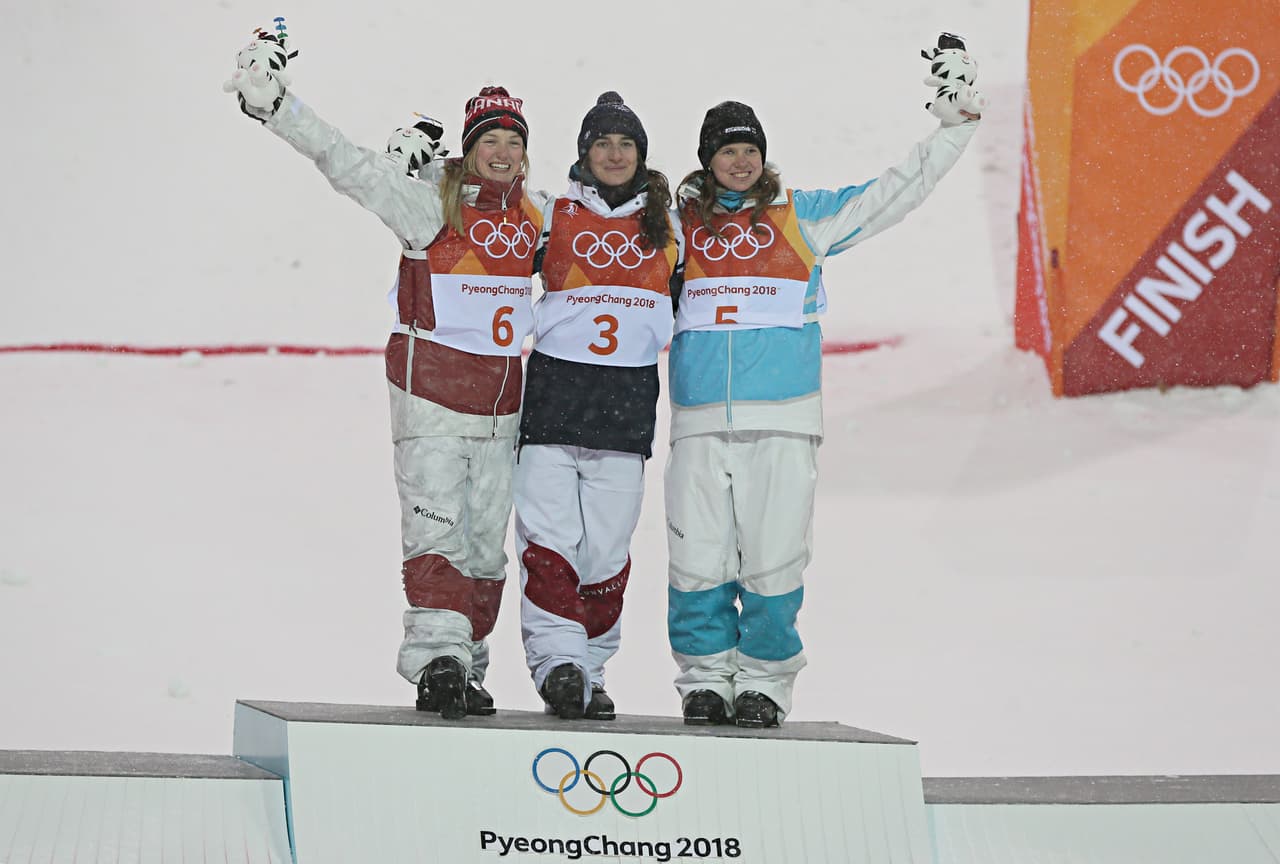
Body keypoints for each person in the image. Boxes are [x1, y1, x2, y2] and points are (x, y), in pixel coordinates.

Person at [665, 37, 986, 728]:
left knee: (775, 565)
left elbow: (892, 193)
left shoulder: (804, 216)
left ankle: (764, 684)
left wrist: (952, 130)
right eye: (727, 150)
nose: (741, 160)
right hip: (698, 423)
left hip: (784, 419)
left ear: (763, 155)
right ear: (707, 159)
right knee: (698, 563)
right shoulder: (675, 226)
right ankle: (703, 680)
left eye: (750, 148)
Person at [224, 28, 545, 720]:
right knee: (437, 538)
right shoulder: (429, 207)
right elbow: (348, 164)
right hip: (430, 404)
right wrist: (275, 107)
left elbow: (602, 245)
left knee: (487, 555)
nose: (502, 151)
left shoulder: (534, 215)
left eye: (513, 140)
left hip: (501, 414)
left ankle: (466, 663)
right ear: (470, 145)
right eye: (489, 139)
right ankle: (437, 663)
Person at [515, 92, 683, 720]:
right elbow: (485, 225)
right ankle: (558, 663)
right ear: (584, 152)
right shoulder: (550, 215)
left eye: (626, 144)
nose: (614, 154)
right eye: (603, 143)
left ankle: (591, 664)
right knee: (549, 542)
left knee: (606, 554)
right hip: (553, 405)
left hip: (625, 414)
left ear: (641, 156)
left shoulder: (673, 227)